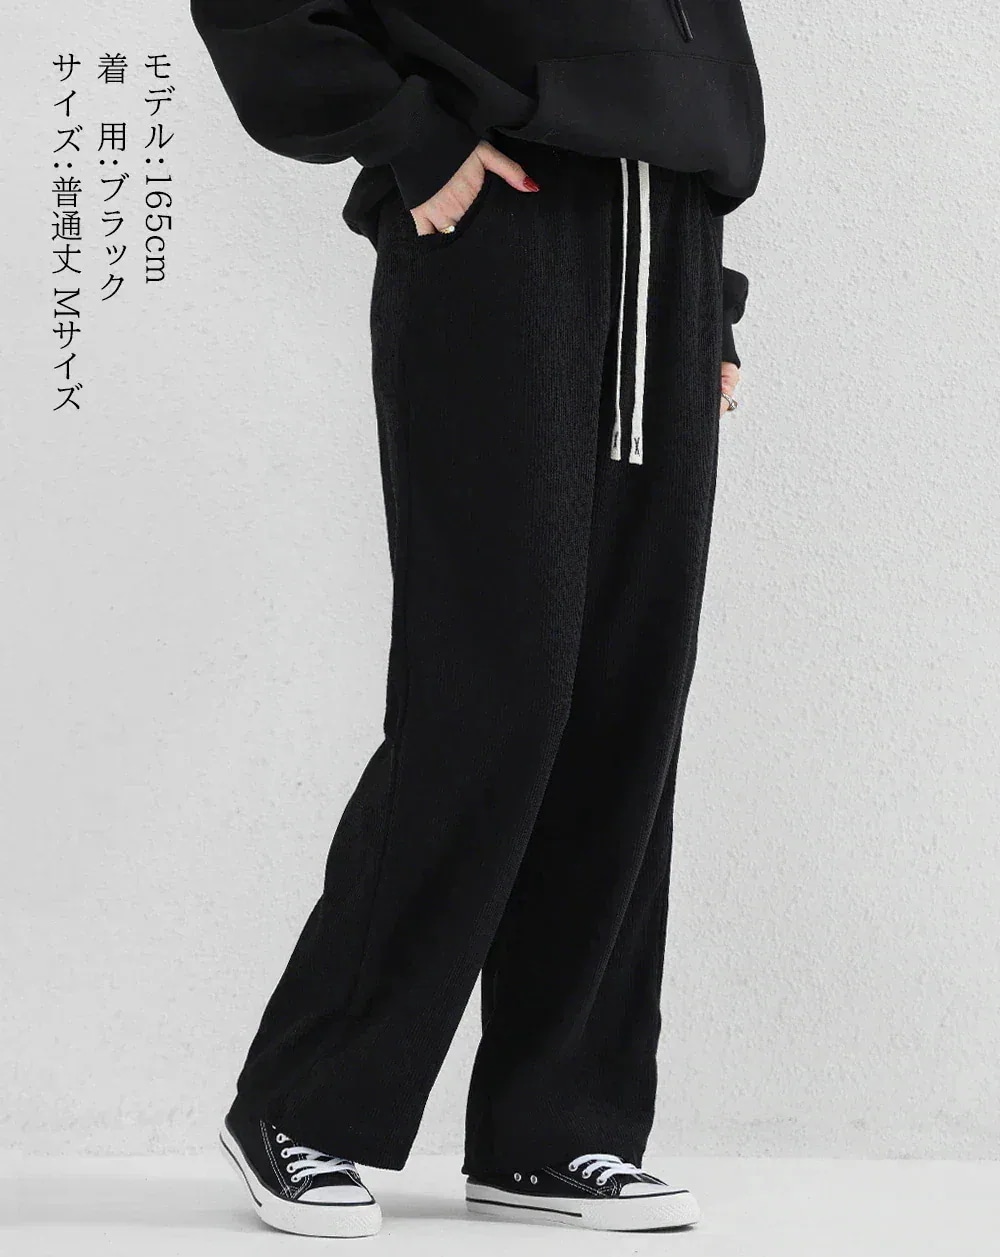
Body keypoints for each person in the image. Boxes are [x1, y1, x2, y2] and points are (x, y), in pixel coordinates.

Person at [190, 0, 765, 1238]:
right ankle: (302, 1102)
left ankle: (551, 1130)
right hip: (503, 220)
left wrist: (703, 289)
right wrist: (408, 136)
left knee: (623, 704)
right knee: (493, 694)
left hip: (664, 240)